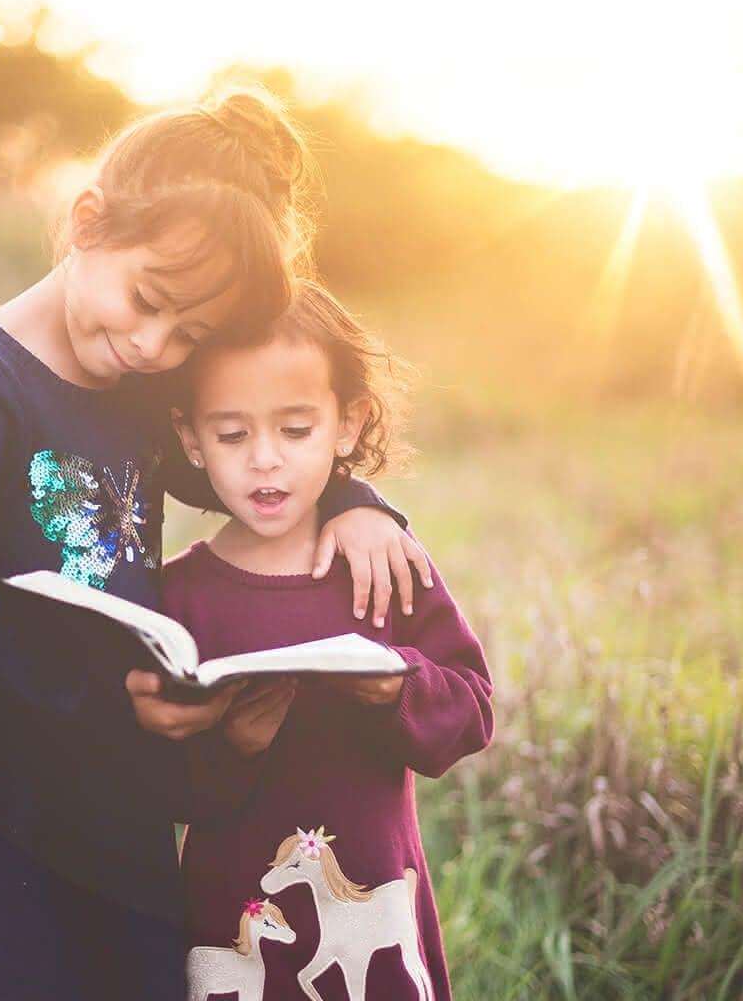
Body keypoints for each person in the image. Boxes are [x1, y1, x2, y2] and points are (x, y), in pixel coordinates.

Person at [0, 91, 431, 1001]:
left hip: (117, 772)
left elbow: (239, 478)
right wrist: (109, 700)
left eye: (189, 335)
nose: (153, 344)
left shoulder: (138, 388)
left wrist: (356, 500)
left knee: (125, 972)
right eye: (148, 301)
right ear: (86, 223)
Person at [165, 279, 494, 1001]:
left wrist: (397, 686)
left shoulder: (382, 564)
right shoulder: (178, 598)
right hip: (233, 908)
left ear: (347, 424)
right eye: (231, 435)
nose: (264, 459)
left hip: (372, 896)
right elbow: (158, 785)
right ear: (190, 439)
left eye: (295, 430)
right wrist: (231, 747)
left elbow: (472, 711)